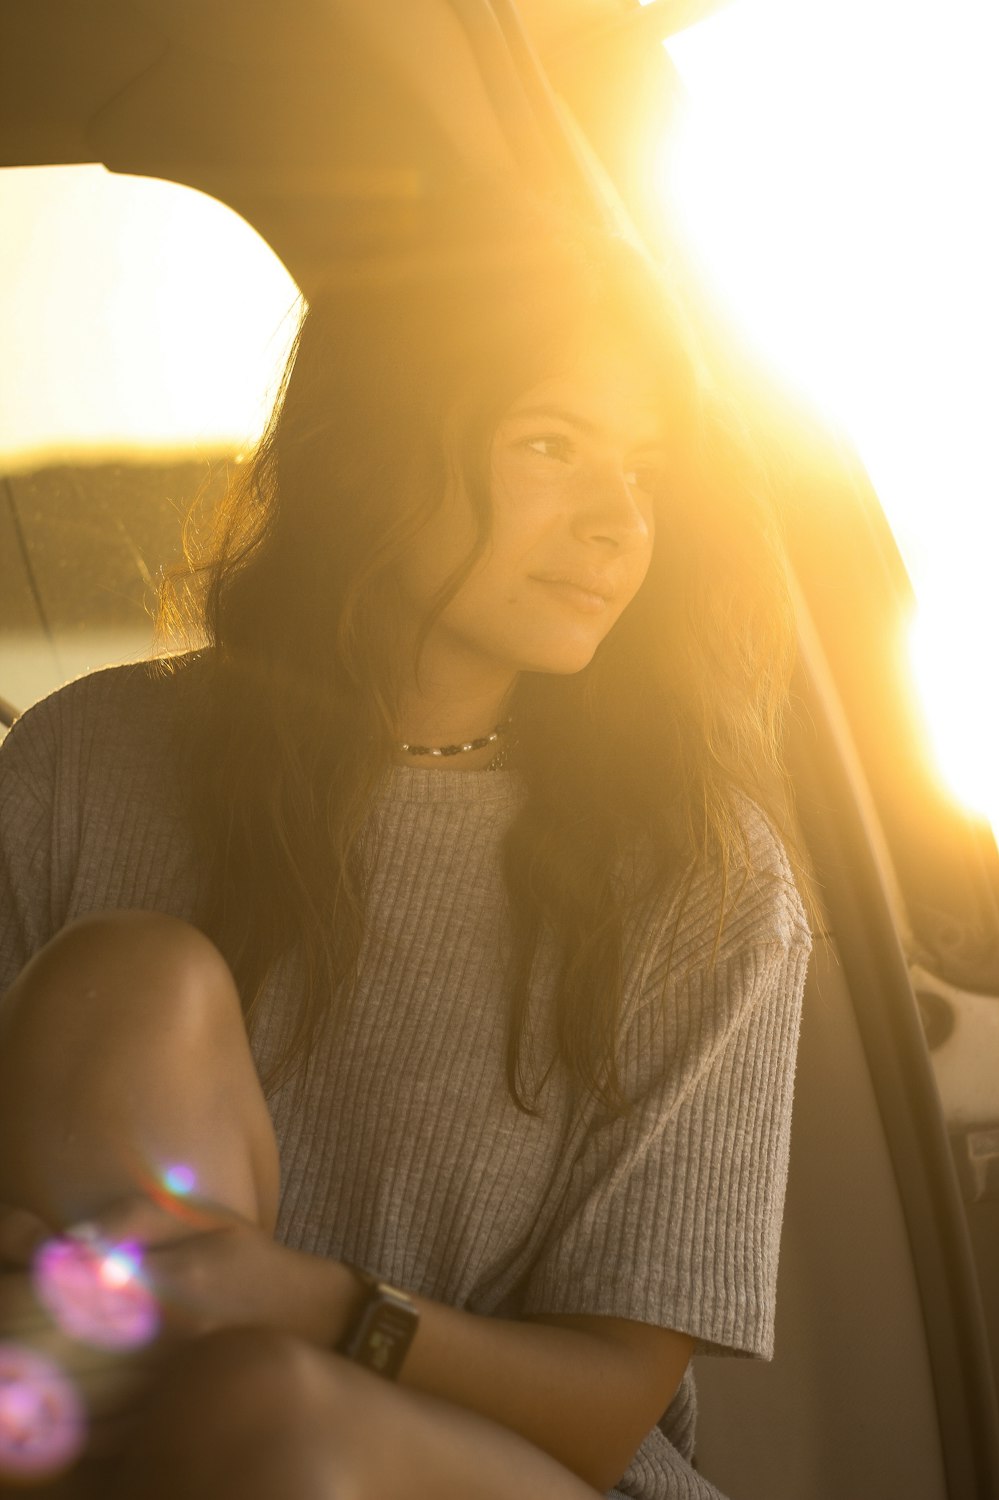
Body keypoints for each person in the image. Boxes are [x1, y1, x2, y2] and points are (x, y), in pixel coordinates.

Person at [0, 186, 812, 1499]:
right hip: (89, 1440)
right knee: (129, 983)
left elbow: (607, 1415)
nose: (619, 524)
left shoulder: (705, 882)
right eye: (551, 444)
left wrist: (308, 1306)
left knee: (266, 1409)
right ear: (377, 445)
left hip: (528, 1473)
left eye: (646, 473)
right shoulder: (81, 763)